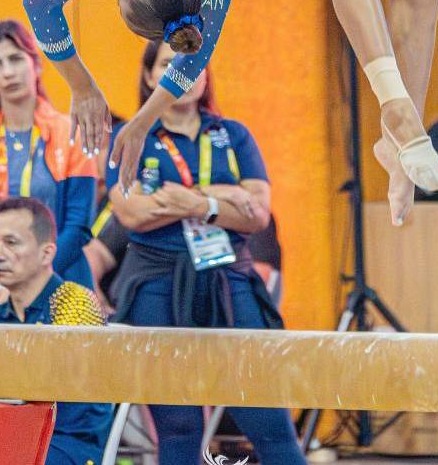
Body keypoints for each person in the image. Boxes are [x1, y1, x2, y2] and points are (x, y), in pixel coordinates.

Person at [24, 0, 438, 226]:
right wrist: (90, 94)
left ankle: (399, 137)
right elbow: (40, 1)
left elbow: (193, 59)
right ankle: (398, 113)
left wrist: (118, 108)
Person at [104, 39, 306, 464]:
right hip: (156, 283)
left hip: (229, 278)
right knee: (179, 429)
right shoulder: (132, 137)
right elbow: (132, 213)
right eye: (167, 64)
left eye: (192, 63)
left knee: (270, 422)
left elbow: (257, 215)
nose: (182, 72)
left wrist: (195, 203)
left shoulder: (233, 135)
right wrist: (225, 199)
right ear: (148, 77)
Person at [0, 20, 97, 312]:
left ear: (36, 65)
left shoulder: (71, 131)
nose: (8, 72)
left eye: (16, 59)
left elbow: (78, 226)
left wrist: (31, 281)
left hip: (61, 287)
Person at [0, 197, 113, 465]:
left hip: (66, 442)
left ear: (47, 253)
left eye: (11, 242)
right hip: (7, 437)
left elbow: (59, 386)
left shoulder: (75, 303)